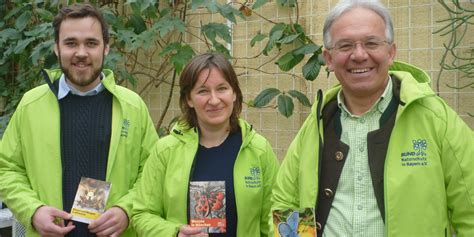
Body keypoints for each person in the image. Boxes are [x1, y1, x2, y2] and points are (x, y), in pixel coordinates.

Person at [271, 0, 474, 236]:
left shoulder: (434, 117)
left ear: (391, 52)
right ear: (328, 58)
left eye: (371, 43)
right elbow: (285, 201)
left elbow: (469, 208)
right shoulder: (318, 122)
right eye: (345, 45)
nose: (359, 55)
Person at [0, 3, 158, 237]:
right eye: (71, 43)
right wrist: (33, 210)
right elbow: (7, 168)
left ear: (106, 48)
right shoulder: (30, 105)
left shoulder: (132, 107)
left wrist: (127, 210)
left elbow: (153, 172)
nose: (81, 52)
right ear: (56, 48)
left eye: (91, 43)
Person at [132, 52, 279, 237]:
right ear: (189, 99)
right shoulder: (166, 150)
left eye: (222, 88)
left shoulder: (258, 150)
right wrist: (174, 233)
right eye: (203, 91)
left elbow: (272, 219)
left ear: (234, 93)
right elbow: (142, 214)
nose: (214, 100)